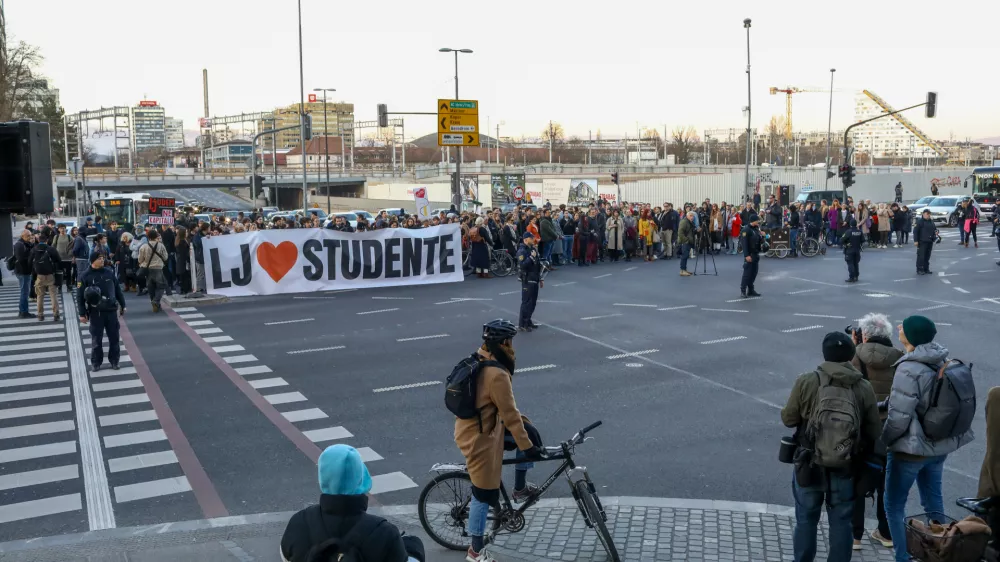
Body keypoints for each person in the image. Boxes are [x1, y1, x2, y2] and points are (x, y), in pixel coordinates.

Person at [781, 332, 881, 562]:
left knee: (806, 519)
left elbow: (789, 419)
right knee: (842, 521)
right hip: (845, 463)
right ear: (851, 355)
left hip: (809, 461)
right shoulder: (863, 386)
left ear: (824, 355)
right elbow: (874, 430)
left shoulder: (807, 380)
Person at [882, 316, 974, 562]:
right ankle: (941, 550)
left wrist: (883, 442)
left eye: (904, 327)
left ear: (911, 338)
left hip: (910, 450)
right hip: (938, 446)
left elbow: (899, 417)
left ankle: (902, 557)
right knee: (933, 501)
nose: (899, 327)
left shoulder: (909, 368)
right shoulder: (940, 358)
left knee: (893, 504)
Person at [455, 319, 541, 562]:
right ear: (502, 343)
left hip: (485, 426)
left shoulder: (480, 358)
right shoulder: (496, 374)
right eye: (510, 341)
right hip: (479, 439)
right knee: (483, 495)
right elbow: (510, 415)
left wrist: (528, 439)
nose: (512, 346)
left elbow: (508, 415)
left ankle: (520, 488)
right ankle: (474, 552)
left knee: (530, 432)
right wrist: (528, 448)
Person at [279, 444, 424, 562]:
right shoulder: (385, 533)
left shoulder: (298, 523)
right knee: (414, 544)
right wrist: (414, 550)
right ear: (361, 478)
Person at [849, 313, 902, 550]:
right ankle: (886, 532)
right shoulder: (901, 359)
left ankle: (855, 537)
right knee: (886, 483)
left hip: (864, 429)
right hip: (890, 430)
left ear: (865, 335)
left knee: (857, 481)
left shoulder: (855, 356)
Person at [77, 253, 126, 371]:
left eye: (103, 258)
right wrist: (82, 314)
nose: (102, 260)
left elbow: (117, 290)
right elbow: (80, 296)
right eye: (99, 259)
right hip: (95, 312)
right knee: (96, 340)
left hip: (111, 311)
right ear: (93, 261)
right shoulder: (85, 276)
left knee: (114, 338)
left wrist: (123, 305)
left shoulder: (109, 272)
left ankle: (115, 361)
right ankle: (96, 362)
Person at [28, 232, 62, 322]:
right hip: (50, 275)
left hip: (39, 276)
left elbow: (29, 262)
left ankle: (40, 315)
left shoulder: (34, 249)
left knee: (39, 296)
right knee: (53, 295)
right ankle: (56, 315)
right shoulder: (51, 249)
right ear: (47, 241)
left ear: (38, 240)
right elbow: (58, 260)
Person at [138, 229, 169, 312]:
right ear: (156, 237)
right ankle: (156, 301)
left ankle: (154, 303)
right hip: (158, 268)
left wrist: (142, 263)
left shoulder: (143, 246)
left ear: (148, 237)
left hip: (147, 269)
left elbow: (140, 259)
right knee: (161, 286)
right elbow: (165, 257)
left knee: (150, 287)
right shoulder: (161, 245)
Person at [516, 232, 541, 332]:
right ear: (526, 239)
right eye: (531, 238)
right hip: (527, 278)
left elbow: (537, 263)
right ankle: (522, 323)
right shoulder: (521, 251)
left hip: (535, 278)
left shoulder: (533, 249)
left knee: (533, 302)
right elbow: (522, 265)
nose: (533, 239)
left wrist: (541, 277)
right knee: (526, 302)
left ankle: (528, 320)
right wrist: (531, 257)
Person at [12, 229, 34, 318]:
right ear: (22, 236)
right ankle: (23, 312)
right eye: (27, 236)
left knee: (25, 291)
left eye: (30, 235)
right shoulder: (19, 245)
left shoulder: (25, 244)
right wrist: (30, 257)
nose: (30, 237)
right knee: (24, 292)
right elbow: (21, 258)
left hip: (25, 271)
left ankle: (24, 311)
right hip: (23, 271)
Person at [740, 213, 763, 297]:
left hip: (756, 253)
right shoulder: (746, 230)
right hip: (750, 254)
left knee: (754, 273)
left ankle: (751, 289)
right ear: (753, 221)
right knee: (747, 273)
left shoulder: (756, 229)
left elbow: (759, 241)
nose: (758, 222)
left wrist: (763, 236)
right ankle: (743, 290)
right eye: (757, 220)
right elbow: (744, 243)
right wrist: (746, 255)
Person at [913, 209, 937, 275]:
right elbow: (915, 232)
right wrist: (916, 241)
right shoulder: (919, 221)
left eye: (929, 214)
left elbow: (935, 229)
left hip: (930, 241)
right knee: (921, 256)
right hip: (922, 241)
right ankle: (919, 269)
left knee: (927, 256)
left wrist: (936, 232)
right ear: (923, 214)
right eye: (927, 214)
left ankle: (926, 268)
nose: (928, 215)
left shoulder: (931, 221)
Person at [52, 224, 74, 292]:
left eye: (64, 228)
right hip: (59, 258)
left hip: (68, 258)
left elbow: (73, 245)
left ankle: (69, 286)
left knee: (68, 273)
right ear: (58, 229)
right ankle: (59, 287)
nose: (62, 229)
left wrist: (72, 255)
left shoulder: (69, 236)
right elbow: (53, 246)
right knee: (59, 273)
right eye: (61, 228)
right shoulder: (56, 236)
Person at [842, 219, 863, 283]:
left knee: (850, 264)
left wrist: (846, 243)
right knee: (856, 263)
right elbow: (863, 240)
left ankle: (852, 277)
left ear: (850, 224)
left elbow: (841, 240)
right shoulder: (859, 231)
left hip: (849, 250)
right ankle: (856, 276)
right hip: (857, 250)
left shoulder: (848, 231)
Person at [677, 211, 695, 277]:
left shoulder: (689, 222)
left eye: (693, 216)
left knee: (686, 255)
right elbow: (680, 233)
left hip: (688, 241)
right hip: (685, 242)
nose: (692, 217)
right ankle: (682, 270)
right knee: (684, 256)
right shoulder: (684, 222)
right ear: (687, 216)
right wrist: (686, 240)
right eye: (690, 215)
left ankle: (684, 269)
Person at [175, 227, 192, 295]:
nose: (187, 233)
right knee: (184, 276)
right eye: (186, 232)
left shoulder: (181, 240)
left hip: (181, 261)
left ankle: (184, 289)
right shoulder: (182, 242)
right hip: (183, 261)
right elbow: (184, 253)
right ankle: (184, 289)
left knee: (184, 276)